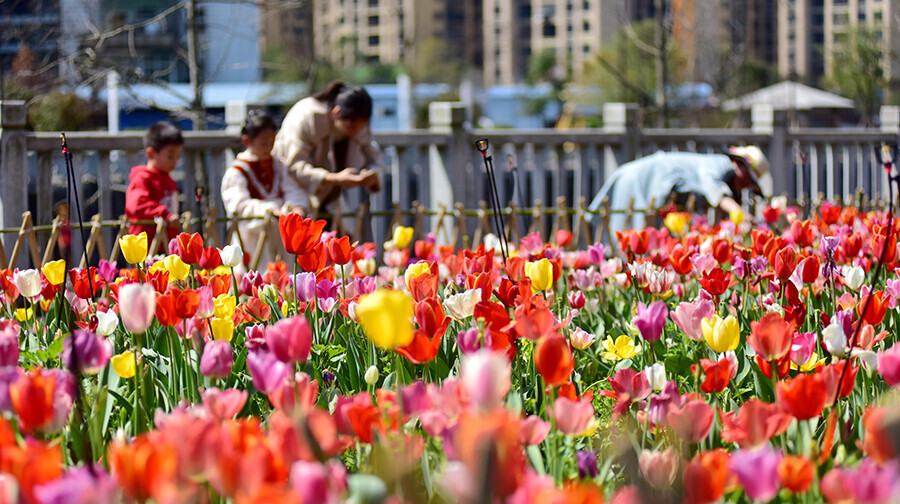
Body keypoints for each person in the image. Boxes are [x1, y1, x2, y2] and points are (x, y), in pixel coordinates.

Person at [588, 145, 771, 237]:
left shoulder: (724, 172)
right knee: (622, 228)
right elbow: (714, 189)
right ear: (739, 165)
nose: (746, 184)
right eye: (748, 178)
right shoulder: (716, 164)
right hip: (643, 179)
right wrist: (739, 214)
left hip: (653, 185)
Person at [273, 81, 383, 233]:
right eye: (351, 127)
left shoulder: (356, 122)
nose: (356, 132)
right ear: (336, 112)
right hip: (293, 195)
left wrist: (371, 174)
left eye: (361, 126)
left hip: (332, 200)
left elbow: (373, 155)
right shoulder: (308, 115)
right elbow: (293, 165)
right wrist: (334, 178)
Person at [221, 111, 307, 269]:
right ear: (247, 141)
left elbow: (292, 189)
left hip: (280, 234)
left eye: (272, 142)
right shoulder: (237, 171)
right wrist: (271, 210)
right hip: (252, 237)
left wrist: (297, 206)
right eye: (263, 143)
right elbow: (239, 206)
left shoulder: (278, 165)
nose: (268, 147)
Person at [125, 121, 183, 247]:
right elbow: (137, 205)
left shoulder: (170, 181)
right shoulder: (142, 178)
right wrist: (165, 215)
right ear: (151, 153)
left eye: (177, 156)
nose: (175, 162)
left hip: (167, 244)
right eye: (170, 156)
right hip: (147, 246)